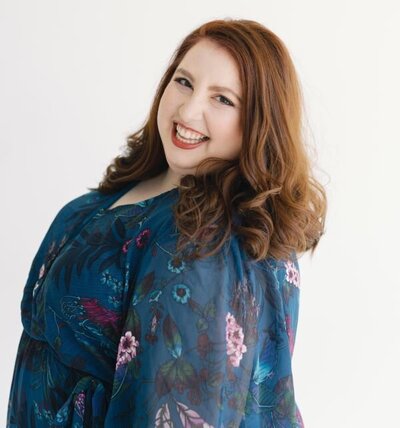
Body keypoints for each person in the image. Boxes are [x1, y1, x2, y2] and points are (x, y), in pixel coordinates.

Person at [7, 18, 327, 427]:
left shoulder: (206, 245)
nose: (189, 110)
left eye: (223, 99)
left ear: (260, 123)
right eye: (184, 82)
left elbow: (174, 412)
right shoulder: (123, 194)